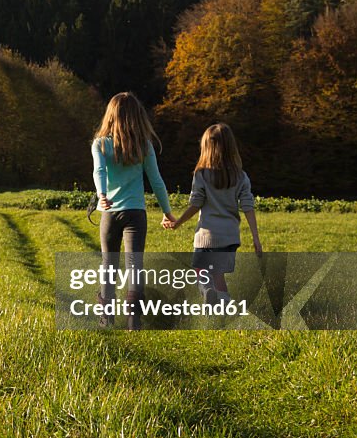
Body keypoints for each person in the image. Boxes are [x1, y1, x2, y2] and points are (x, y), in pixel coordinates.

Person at [91, 92, 176, 329]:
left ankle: (106, 319)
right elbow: (156, 181)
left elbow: (99, 172)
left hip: (110, 213)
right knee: (134, 266)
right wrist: (167, 212)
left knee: (109, 265)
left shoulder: (100, 144)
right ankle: (133, 321)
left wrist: (102, 195)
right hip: (136, 214)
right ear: (138, 117)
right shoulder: (144, 146)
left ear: (110, 116)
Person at [164, 123, 263, 306]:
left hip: (206, 236)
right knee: (218, 274)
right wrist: (256, 238)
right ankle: (224, 306)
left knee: (201, 271)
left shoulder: (201, 175)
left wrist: (177, 222)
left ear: (206, 147)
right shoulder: (241, 176)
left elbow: (196, 204)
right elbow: (248, 207)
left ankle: (207, 290)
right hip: (230, 236)